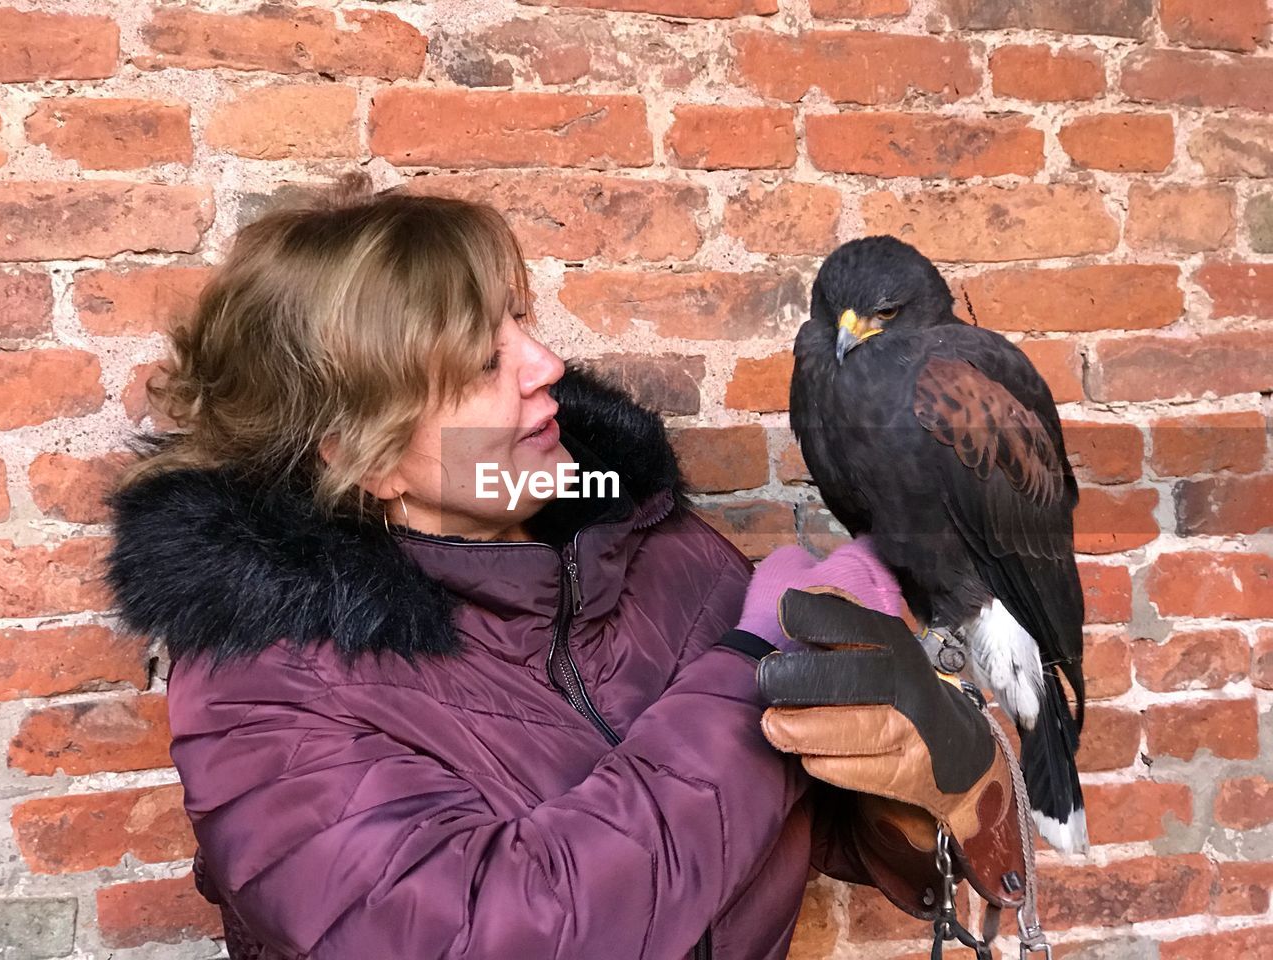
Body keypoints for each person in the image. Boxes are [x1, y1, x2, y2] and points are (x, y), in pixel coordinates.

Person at [103, 177, 1026, 960]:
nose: (545, 364)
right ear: (357, 455)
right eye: (478, 359)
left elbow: (823, 825)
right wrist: (750, 673)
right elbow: (506, 933)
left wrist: (932, 782)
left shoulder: (660, 553)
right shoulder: (262, 689)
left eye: (520, 319)